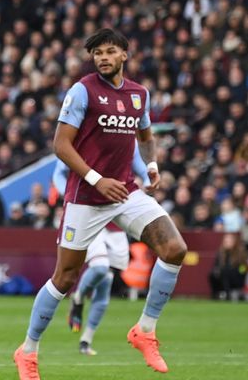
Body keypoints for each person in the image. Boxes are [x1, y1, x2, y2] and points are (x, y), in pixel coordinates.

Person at [14, 29, 188, 379]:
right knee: (64, 278)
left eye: (110, 51)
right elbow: (61, 145)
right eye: (97, 53)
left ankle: (145, 331)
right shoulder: (82, 91)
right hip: (87, 197)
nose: (103, 58)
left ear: (125, 54)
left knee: (174, 248)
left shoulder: (140, 95)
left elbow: (145, 136)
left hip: (124, 192)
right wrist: (96, 179)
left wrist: (152, 166)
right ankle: (28, 351)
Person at [52, 144, 149, 356]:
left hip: (116, 218)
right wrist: (69, 192)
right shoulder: (84, 136)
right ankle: (78, 297)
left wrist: (148, 178)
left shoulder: (123, 134)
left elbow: (138, 164)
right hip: (88, 212)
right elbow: (59, 172)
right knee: (100, 267)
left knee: (105, 282)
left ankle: (86, 340)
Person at [208, 233, 247, 301]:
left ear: (234, 242)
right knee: (212, 274)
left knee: (226, 271)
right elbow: (216, 266)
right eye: (225, 241)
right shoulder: (220, 253)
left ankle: (228, 295)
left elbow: (243, 268)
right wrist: (216, 271)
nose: (227, 243)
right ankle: (215, 294)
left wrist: (238, 271)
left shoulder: (240, 254)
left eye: (229, 241)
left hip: (237, 278)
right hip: (223, 277)